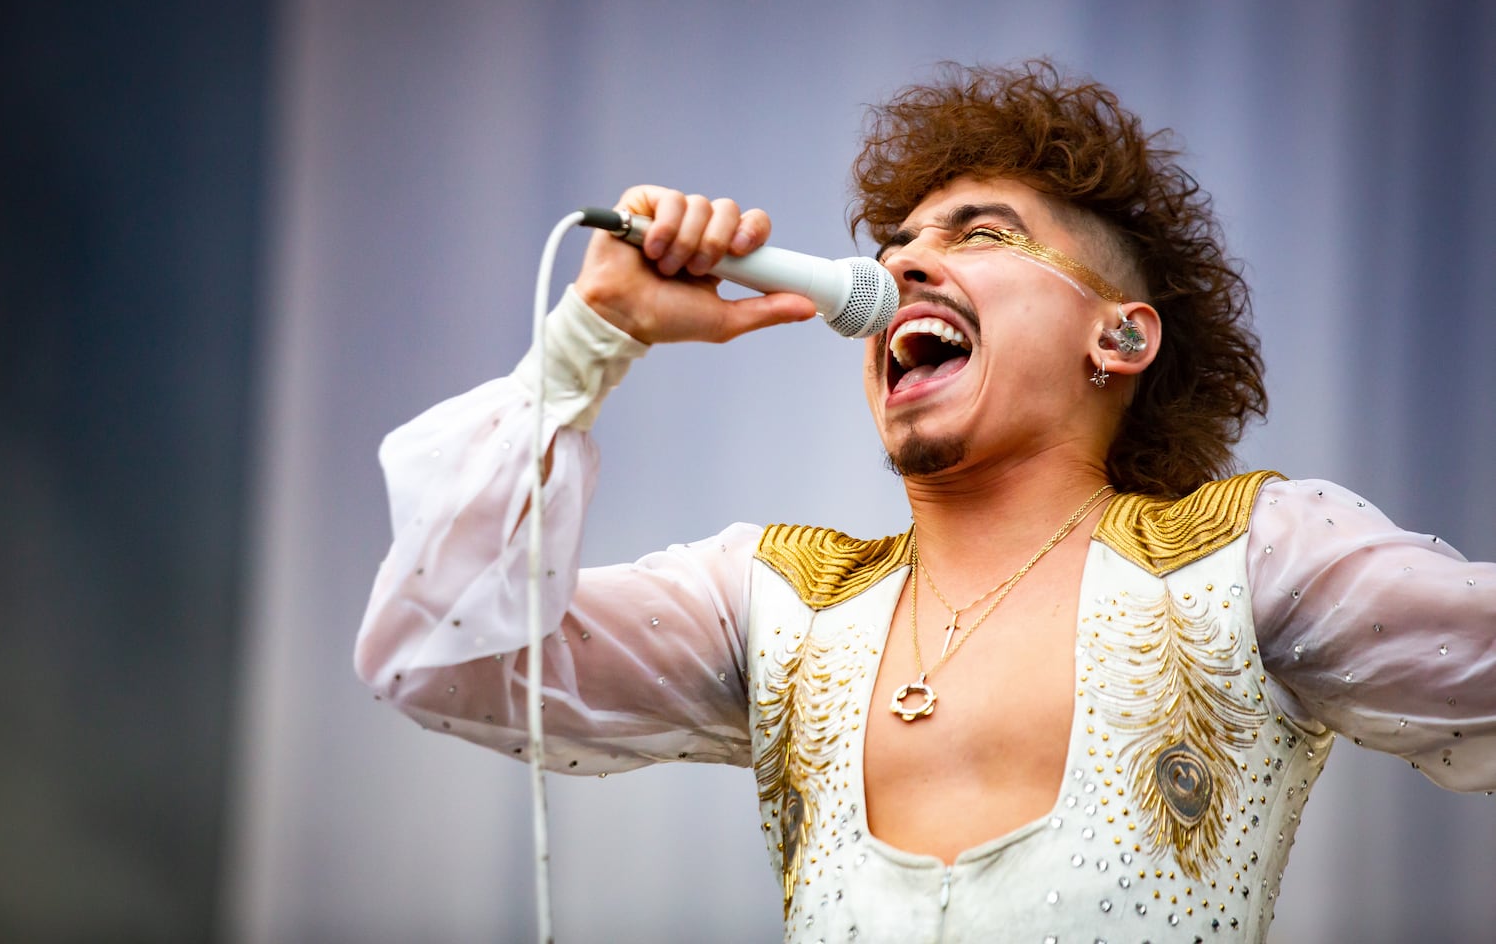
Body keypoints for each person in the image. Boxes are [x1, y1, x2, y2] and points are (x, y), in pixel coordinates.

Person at [355, 61, 1494, 942]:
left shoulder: (1249, 563)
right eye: (896, 245)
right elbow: (433, 652)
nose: (906, 266)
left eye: (979, 234)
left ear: (1122, 334)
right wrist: (588, 339)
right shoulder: (778, 607)